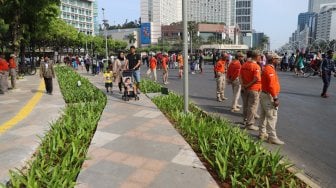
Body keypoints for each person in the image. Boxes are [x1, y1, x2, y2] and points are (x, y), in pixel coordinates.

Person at [259, 53, 284, 145]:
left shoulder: (267, 68)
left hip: (264, 94)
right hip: (269, 95)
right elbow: (271, 85)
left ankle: (262, 133)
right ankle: (272, 137)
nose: (279, 60)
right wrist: (275, 98)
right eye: (277, 59)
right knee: (272, 116)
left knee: (263, 115)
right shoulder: (270, 70)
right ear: (273, 59)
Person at [240, 50, 262, 130]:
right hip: (253, 89)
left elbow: (240, 76)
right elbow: (256, 78)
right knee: (252, 107)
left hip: (245, 89)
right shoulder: (256, 66)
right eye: (260, 56)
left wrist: (243, 85)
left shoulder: (245, 64)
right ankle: (250, 124)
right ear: (256, 56)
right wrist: (248, 85)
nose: (261, 58)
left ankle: (245, 121)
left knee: (246, 106)